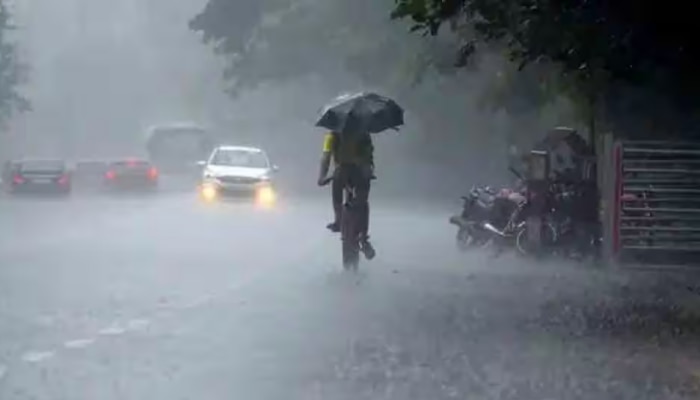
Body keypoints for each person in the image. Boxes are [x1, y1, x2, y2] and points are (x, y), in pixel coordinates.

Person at [317, 130, 376, 259]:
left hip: (341, 174)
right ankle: (364, 238)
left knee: (336, 188)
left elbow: (326, 157)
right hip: (360, 174)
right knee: (363, 200)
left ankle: (338, 219)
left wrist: (321, 177)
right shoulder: (364, 132)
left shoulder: (332, 135)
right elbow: (369, 156)